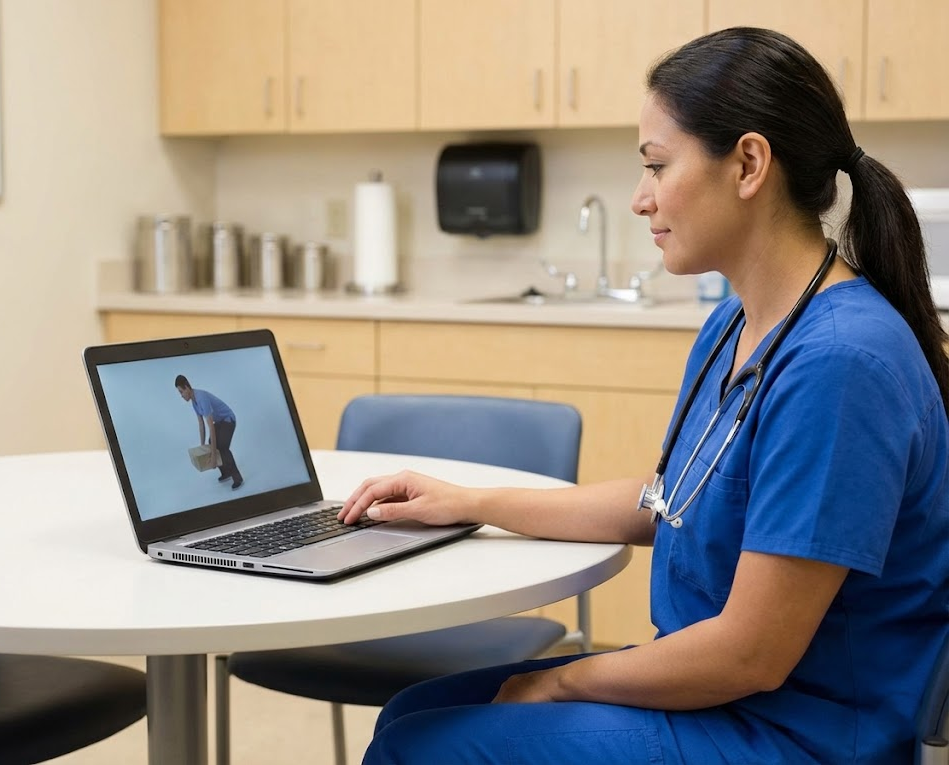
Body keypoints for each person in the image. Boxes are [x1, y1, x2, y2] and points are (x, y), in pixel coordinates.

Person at [337, 27, 949, 765]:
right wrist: (468, 500)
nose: (640, 198)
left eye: (657, 166)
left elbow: (751, 654)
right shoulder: (735, 325)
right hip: (728, 697)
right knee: (416, 710)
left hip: (798, 731)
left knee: (421, 748)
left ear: (749, 164)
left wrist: (562, 681)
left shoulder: (841, 364)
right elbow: (666, 500)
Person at [174, 374, 244, 490]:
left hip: (228, 420)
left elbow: (210, 427)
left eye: (181, 392)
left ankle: (238, 478)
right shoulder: (194, 401)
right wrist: (202, 447)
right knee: (211, 441)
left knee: (222, 446)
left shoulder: (201, 398)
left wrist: (212, 459)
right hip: (220, 422)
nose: (181, 395)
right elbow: (201, 424)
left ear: (187, 387)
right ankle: (225, 472)